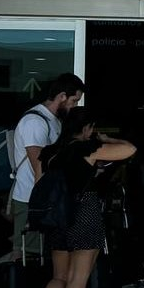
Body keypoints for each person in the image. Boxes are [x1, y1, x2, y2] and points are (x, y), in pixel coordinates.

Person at [25, 109, 136, 288]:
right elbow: (130, 150)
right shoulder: (86, 149)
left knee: (59, 276)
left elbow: (38, 184)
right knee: (78, 278)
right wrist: (106, 140)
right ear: (87, 128)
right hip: (84, 211)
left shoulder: (49, 153)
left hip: (56, 218)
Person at [10, 74, 86, 257]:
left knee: (42, 256)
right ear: (62, 96)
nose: (74, 106)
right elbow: (39, 165)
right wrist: (43, 206)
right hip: (33, 199)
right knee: (28, 256)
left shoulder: (53, 120)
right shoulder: (35, 122)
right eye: (74, 101)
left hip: (43, 200)